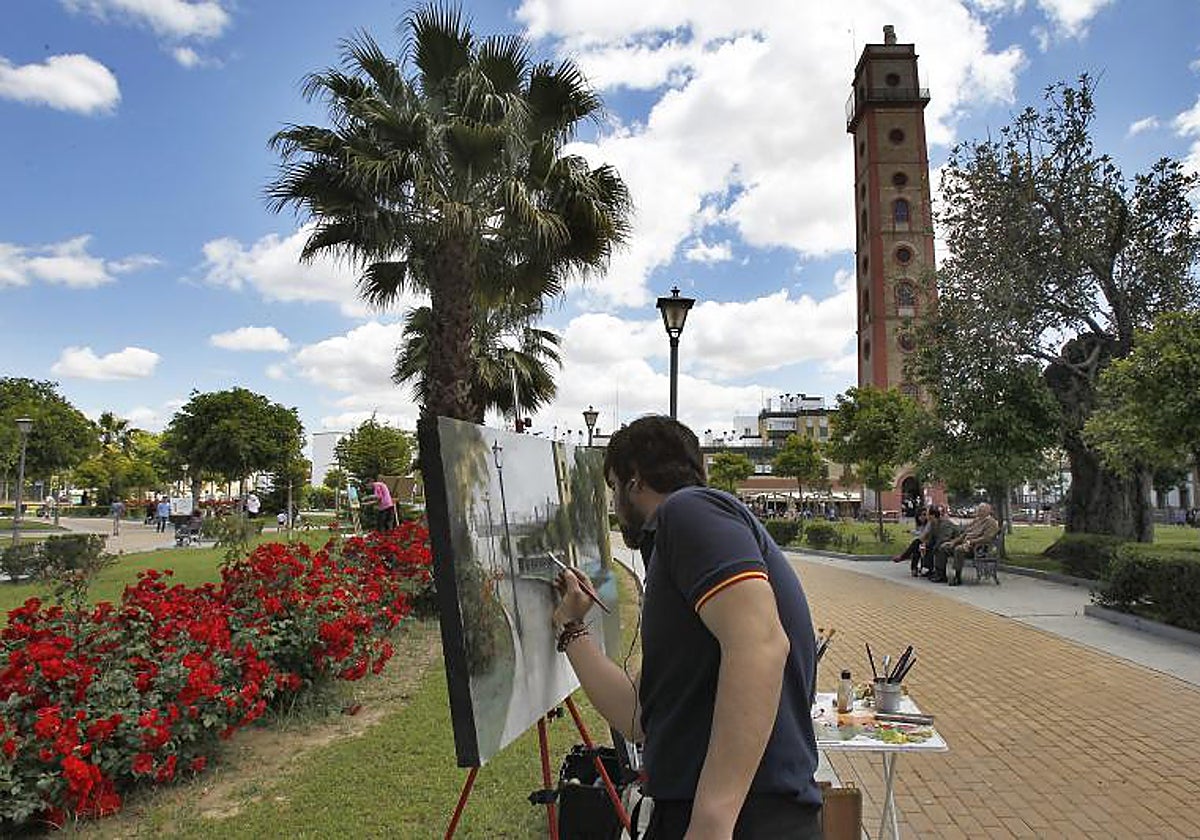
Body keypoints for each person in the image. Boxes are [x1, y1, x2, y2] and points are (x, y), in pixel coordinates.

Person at [553, 416, 823, 839]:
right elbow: (638, 716)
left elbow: (761, 644)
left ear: (634, 480)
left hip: (745, 819)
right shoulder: (681, 546)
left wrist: (712, 820)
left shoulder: (689, 511)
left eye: (612, 487)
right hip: (726, 813)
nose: (613, 502)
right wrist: (572, 627)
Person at [933, 502, 1000, 585]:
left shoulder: (991, 523)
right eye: (979, 510)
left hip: (978, 548)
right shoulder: (976, 520)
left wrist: (971, 541)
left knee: (958, 550)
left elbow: (987, 538)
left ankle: (957, 576)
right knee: (943, 547)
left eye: (981, 510)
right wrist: (952, 542)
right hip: (965, 544)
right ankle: (940, 574)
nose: (978, 511)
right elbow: (964, 534)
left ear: (988, 511)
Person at [891, 505, 930, 574]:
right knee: (916, 547)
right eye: (921, 515)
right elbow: (920, 533)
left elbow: (924, 534)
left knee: (916, 543)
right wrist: (912, 532)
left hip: (928, 541)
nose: (923, 517)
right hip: (923, 541)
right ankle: (913, 569)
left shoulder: (929, 523)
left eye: (925, 514)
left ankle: (903, 557)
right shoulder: (920, 524)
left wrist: (913, 533)